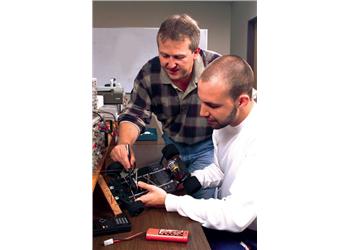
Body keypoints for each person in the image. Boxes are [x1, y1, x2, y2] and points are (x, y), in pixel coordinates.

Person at [136, 55, 257, 250]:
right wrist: (195, 178)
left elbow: (235, 216)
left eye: (213, 105)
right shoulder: (224, 123)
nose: (203, 113)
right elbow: (220, 169)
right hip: (234, 227)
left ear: (242, 101)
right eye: (202, 102)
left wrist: (170, 201)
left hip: (251, 235)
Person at [110, 14, 221, 199]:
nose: (170, 64)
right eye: (164, 55)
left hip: (208, 146)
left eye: (178, 57)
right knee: (168, 196)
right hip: (173, 145)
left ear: (195, 52)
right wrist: (124, 145)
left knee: (201, 200)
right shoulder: (149, 72)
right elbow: (135, 113)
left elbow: (246, 105)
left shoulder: (218, 68)